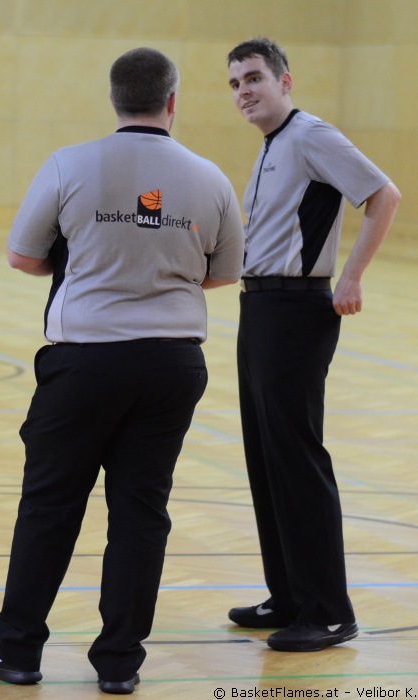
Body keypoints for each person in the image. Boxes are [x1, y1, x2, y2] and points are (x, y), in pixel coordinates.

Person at [0, 47, 244, 694]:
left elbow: (22, 256)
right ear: (172, 102)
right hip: (172, 364)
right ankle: (119, 664)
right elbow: (224, 272)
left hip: (85, 362)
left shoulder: (70, 163)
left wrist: (90, 264)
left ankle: (17, 652)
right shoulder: (210, 178)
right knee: (142, 512)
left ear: (114, 99)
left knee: (49, 506)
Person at [225, 38, 401, 652]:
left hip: (296, 311)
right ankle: (290, 595)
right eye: (235, 84)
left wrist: (351, 277)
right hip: (260, 307)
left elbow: (384, 195)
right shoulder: (272, 145)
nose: (244, 91)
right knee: (265, 455)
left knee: (296, 457)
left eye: (253, 78)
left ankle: (328, 611)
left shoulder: (310, 135)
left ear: (285, 81)